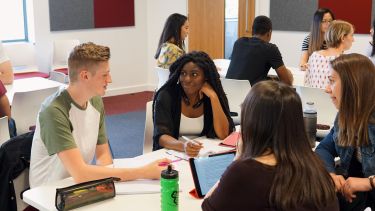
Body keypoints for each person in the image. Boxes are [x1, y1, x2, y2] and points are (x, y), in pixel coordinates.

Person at [29, 42, 170, 188]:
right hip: (48, 191)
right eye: (105, 74)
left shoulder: (95, 100)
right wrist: (143, 172)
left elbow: (103, 156)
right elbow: (80, 173)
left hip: (77, 184)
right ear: (85, 76)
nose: (110, 80)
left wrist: (110, 184)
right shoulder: (53, 111)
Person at [202, 80, 339, 211]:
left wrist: (238, 157)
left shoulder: (244, 172)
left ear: (251, 123)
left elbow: (208, 206)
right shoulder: (317, 168)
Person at [315, 53, 375, 210]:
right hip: (354, 194)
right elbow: (324, 148)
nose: (327, 89)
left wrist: (369, 182)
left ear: (352, 85)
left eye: (332, 82)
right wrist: (331, 174)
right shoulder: (345, 115)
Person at [152, 51, 235, 157]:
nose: (187, 79)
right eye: (183, 73)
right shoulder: (167, 96)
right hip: (173, 153)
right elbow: (161, 136)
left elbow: (224, 134)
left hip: (203, 153)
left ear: (205, 77)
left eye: (194, 74)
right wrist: (183, 146)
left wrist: (214, 98)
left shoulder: (211, 97)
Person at [225, 15, 293, 86]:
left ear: (252, 30)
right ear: (269, 33)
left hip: (228, 93)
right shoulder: (270, 49)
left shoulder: (238, 42)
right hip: (251, 96)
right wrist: (288, 74)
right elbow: (287, 82)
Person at [304, 20, 354, 89]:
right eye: (351, 35)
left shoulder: (314, 56)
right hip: (333, 99)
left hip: (313, 99)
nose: (353, 40)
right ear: (342, 38)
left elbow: (307, 83)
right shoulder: (345, 61)